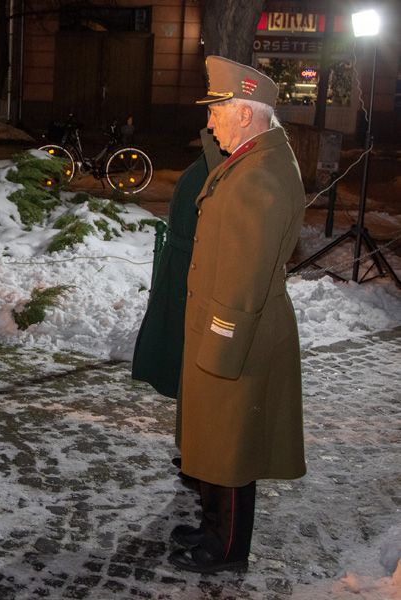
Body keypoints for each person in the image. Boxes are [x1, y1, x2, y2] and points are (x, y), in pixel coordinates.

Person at [167, 55, 307, 574]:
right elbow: (216, 174)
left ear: (246, 114)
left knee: (229, 448)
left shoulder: (260, 179)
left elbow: (246, 275)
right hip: (225, 327)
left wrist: (221, 341)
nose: (210, 122)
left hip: (237, 332)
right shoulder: (251, 159)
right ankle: (210, 528)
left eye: (218, 112)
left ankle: (226, 551)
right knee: (212, 436)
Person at [132, 128, 224, 485]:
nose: (213, 120)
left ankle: (202, 461)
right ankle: (194, 454)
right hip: (185, 272)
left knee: (201, 374)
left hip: (197, 279)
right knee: (188, 370)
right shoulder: (213, 158)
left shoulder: (227, 164)